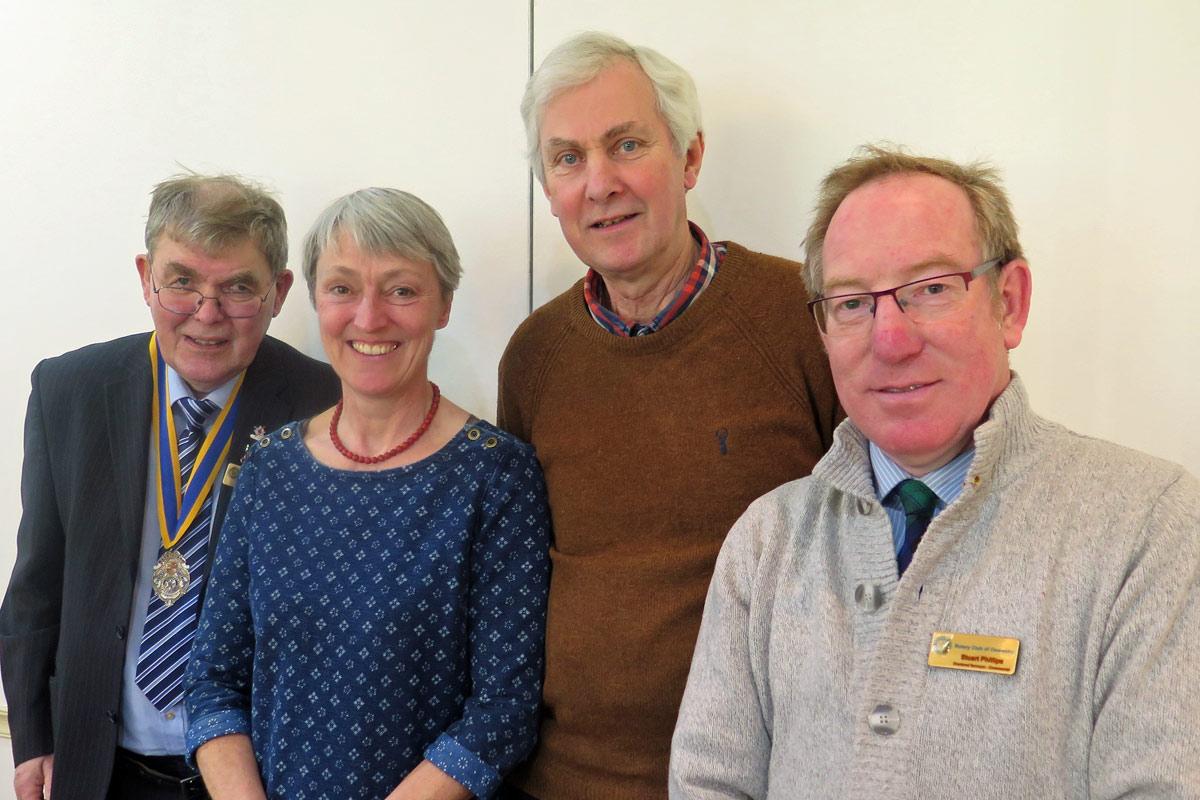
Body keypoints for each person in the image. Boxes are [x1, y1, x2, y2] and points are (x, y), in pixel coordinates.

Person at [669, 145, 1200, 797]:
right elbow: (709, 781)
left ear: (1010, 302)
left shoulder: (1149, 526)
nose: (890, 340)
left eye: (930, 290)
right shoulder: (767, 541)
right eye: (853, 304)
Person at [497, 32, 841, 799]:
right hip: (563, 782)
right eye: (568, 159)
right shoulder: (533, 357)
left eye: (626, 145)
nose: (599, 183)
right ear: (548, 189)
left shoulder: (802, 319)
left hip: (764, 777)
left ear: (689, 159)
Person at [185, 188, 551, 800]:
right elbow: (214, 683)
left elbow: (503, 711)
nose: (369, 317)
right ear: (314, 300)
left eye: (402, 289)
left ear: (444, 304)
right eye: (343, 288)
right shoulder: (268, 467)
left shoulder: (496, 477)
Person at [0, 174, 340, 800]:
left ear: (280, 292)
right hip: (97, 768)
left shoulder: (325, 404)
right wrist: (31, 739)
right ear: (145, 277)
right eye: (182, 281)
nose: (207, 315)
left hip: (257, 777)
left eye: (238, 287)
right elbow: (36, 582)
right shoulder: (69, 390)